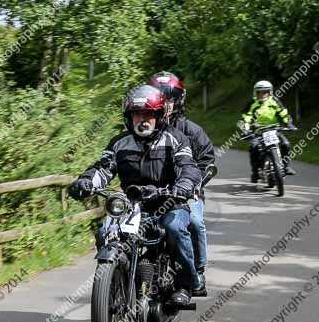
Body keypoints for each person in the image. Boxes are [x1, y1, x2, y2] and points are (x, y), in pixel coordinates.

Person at [68, 85, 202, 307]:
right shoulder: (119, 142)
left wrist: (183, 185)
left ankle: (184, 283)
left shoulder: (176, 139)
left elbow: (188, 166)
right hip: (132, 206)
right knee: (104, 231)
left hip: (169, 202)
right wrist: (85, 182)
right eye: (138, 114)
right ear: (130, 117)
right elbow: (103, 169)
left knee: (175, 228)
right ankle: (116, 281)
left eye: (149, 114)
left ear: (160, 116)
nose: (143, 119)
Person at [147, 71, 214, 295]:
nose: (166, 102)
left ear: (180, 99)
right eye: (160, 96)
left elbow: (206, 161)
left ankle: (197, 270)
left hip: (187, 193)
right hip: (155, 193)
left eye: (171, 97)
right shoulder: (145, 129)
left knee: (193, 221)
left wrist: (194, 186)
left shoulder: (192, 131)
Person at [241, 80, 296, 182]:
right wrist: (246, 129)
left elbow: (283, 113)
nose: (262, 94)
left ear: (270, 92)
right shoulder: (252, 103)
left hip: (274, 130)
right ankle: (255, 172)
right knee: (253, 147)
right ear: (255, 93)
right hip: (259, 131)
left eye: (265, 92)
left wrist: (289, 123)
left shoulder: (274, 101)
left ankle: (285, 166)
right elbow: (246, 117)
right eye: (259, 92)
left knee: (286, 144)